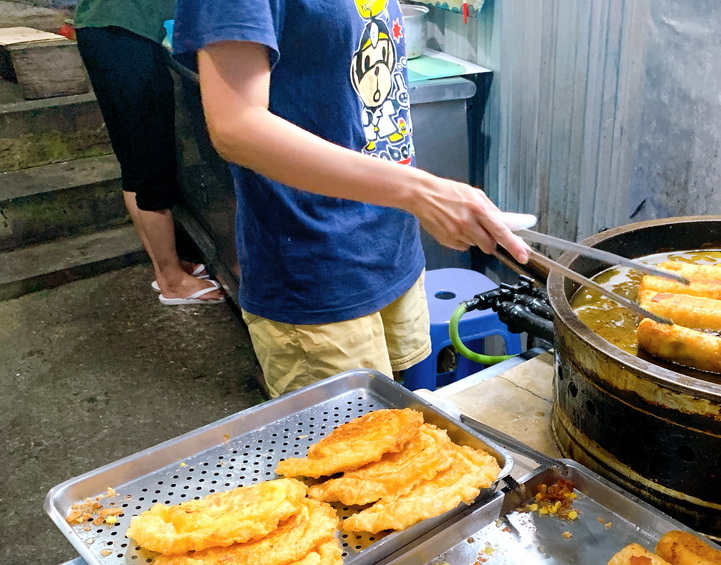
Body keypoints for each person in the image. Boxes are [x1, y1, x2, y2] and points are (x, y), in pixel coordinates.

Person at [172, 0, 529, 397]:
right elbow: (235, 126)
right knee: (347, 446)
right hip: (315, 263)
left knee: (398, 424)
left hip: (390, 244)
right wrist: (421, 192)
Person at [74, 0, 224, 304]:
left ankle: (164, 266)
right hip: (125, 35)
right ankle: (172, 282)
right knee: (150, 165)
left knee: (134, 163)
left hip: (108, 31)